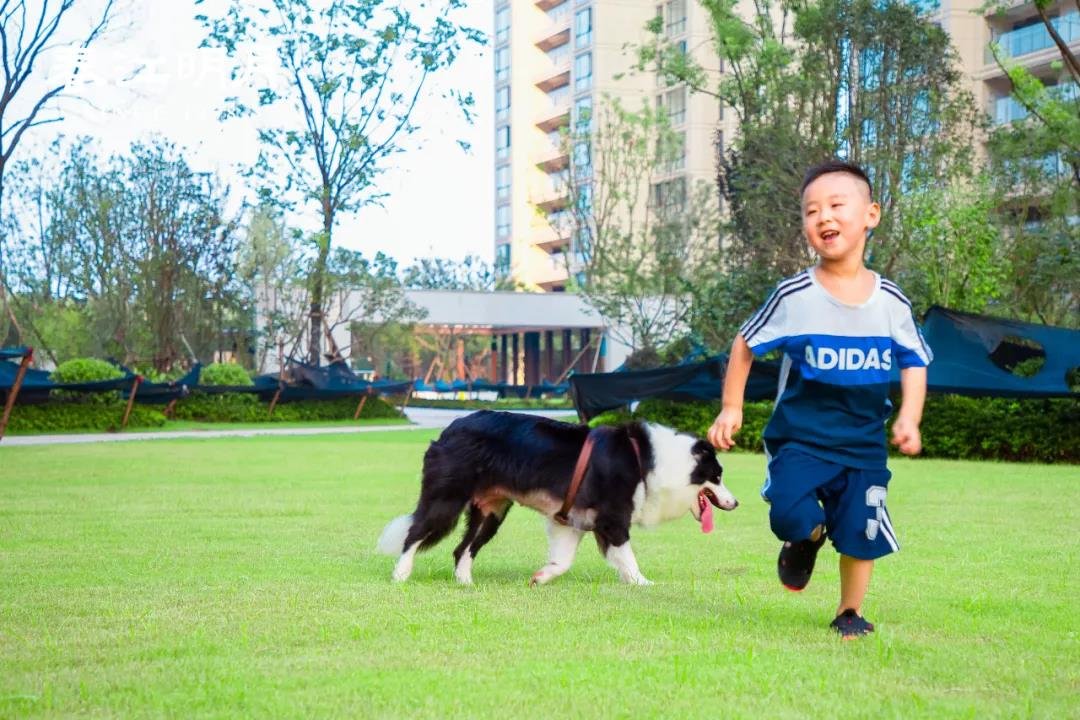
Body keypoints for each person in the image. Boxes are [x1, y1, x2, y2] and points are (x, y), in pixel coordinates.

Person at [707, 160, 931, 639]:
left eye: (835, 205)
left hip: (864, 446)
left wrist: (910, 418)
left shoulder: (891, 302)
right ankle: (806, 537)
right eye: (811, 211)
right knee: (789, 514)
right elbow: (745, 344)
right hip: (801, 442)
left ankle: (849, 611)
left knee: (861, 533)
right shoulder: (795, 296)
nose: (823, 217)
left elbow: (915, 359)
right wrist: (732, 407)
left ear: (871, 214)